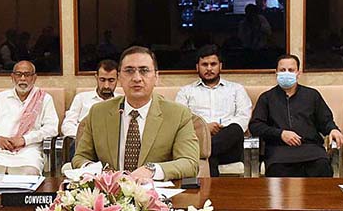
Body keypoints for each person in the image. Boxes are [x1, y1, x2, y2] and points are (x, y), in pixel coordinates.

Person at [72, 46, 199, 181]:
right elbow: (80, 158)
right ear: (119, 77)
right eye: (129, 71)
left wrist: (152, 170)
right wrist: (95, 171)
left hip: (157, 195)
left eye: (144, 71)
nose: (137, 78)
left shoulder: (177, 114)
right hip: (109, 195)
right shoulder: (98, 112)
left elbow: (189, 163)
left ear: (156, 77)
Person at [249, 54, 343, 177]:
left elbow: (325, 120)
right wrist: (280, 134)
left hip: (311, 149)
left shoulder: (312, 95)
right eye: (283, 70)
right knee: (277, 169)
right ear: (276, 72)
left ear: (298, 73)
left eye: (291, 70)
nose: (286, 73)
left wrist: (333, 129)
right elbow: (256, 126)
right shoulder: (266, 98)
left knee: (321, 165)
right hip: (279, 151)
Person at [0, 61, 59, 176]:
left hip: (27, 151)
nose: (22, 78)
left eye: (27, 75)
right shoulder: (1, 98)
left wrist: (24, 139)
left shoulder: (44, 99)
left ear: (34, 77)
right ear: (12, 77)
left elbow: (52, 129)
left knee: (30, 169)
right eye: (18, 74)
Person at [176, 45, 252, 176]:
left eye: (213, 64)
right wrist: (205, 128)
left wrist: (221, 129)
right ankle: (214, 193)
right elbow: (180, 120)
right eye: (204, 64)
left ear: (220, 66)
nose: (209, 68)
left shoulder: (236, 89)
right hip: (199, 139)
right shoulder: (186, 92)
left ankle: (205, 150)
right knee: (210, 156)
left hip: (229, 144)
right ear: (197, 67)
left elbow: (244, 118)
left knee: (235, 129)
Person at [61, 59, 119, 136]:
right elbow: (67, 125)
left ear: (118, 79)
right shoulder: (81, 98)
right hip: (83, 142)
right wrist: (84, 137)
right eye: (102, 80)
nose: (106, 86)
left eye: (111, 80)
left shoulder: (122, 101)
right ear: (96, 77)